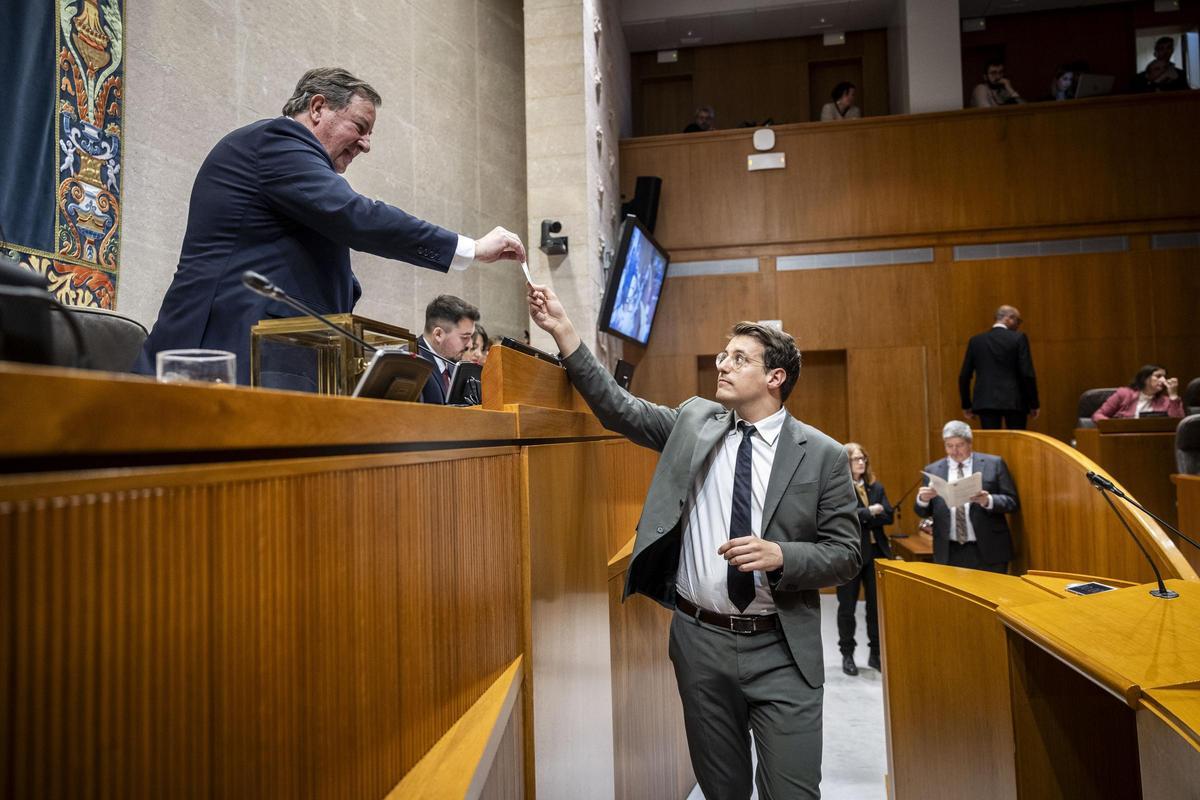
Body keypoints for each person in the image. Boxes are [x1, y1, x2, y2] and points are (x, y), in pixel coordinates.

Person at [527, 281, 860, 799]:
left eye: (738, 359)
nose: (721, 366)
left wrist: (781, 555)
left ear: (775, 377)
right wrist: (565, 332)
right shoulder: (694, 422)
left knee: (793, 792)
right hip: (699, 641)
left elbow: (847, 555)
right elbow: (619, 409)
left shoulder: (823, 454)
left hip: (782, 648)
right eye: (722, 356)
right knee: (721, 789)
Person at [136, 67, 525, 385]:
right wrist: (470, 248)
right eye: (360, 126)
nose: (366, 144)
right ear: (319, 107)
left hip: (279, 356)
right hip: (222, 353)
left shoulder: (296, 167)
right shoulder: (277, 139)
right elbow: (358, 216)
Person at [915, 421, 1019, 573]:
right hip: (949, 551)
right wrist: (923, 500)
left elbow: (1012, 502)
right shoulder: (933, 470)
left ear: (970, 443)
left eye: (960, 445)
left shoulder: (994, 464)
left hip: (988, 548)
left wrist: (988, 501)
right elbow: (922, 512)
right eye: (949, 446)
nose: (954, 451)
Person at [836, 443, 893, 677]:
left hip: (875, 553)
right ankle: (847, 654)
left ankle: (876, 653)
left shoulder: (874, 486)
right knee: (847, 608)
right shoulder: (838, 488)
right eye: (856, 459)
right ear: (846, 463)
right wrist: (870, 513)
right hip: (850, 555)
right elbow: (842, 517)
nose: (861, 463)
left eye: (863, 459)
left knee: (874, 607)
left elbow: (888, 515)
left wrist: (866, 517)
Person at [958, 304, 1040, 430]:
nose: (1018, 325)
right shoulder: (1018, 338)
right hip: (1015, 401)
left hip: (985, 400)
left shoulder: (976, 341)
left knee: (992, 444)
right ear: (1009, 318)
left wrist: (966, 404)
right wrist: (1033, 403)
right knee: (1016, 443)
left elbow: (964, 375)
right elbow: (1027, 373)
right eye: (1018, 321)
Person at [416, 295, 478, 404]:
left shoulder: (454, 366)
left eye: (471, 337)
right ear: (438, 334)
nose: (470, 344)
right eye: (464, 337)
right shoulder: (410, 362)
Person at [1092, 364, 1184, 420]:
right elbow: (1098, 415)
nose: (1163, 380)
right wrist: (1115, 426)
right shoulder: (1124, 394)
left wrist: (1173, 396)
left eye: (1164, 376)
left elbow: (1177, 424)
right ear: (1145, 378)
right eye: (1158, 376)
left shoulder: (1167, 401)